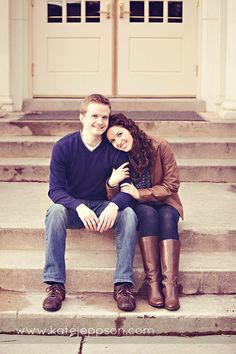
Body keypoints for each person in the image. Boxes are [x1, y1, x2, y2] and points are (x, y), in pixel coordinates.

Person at [42, 95, 138, 312]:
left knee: (129, 214)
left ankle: (123, 285)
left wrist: (114, 206)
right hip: (74, 209)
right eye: (94, 115)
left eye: (105, 117)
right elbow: (55, 190)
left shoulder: (114, 149)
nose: (100, 121)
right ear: (82, 117)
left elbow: (127, 190)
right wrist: (78, 206)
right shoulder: (64, 147)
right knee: (55, 211)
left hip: (103, 208)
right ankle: (55, 285)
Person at [106, 113, 184, 311]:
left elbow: (172, 184)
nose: (118, 142)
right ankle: (153, 284)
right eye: (112, 140)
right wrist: (111, 184)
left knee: (167, 216)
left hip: (165, 200)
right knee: (148, 215)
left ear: (130, 129)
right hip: (139, 205)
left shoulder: (160, 146)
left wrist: (140, 193)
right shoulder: (116, 156)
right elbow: (112, 195)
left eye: (120, 134)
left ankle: (170, 286)